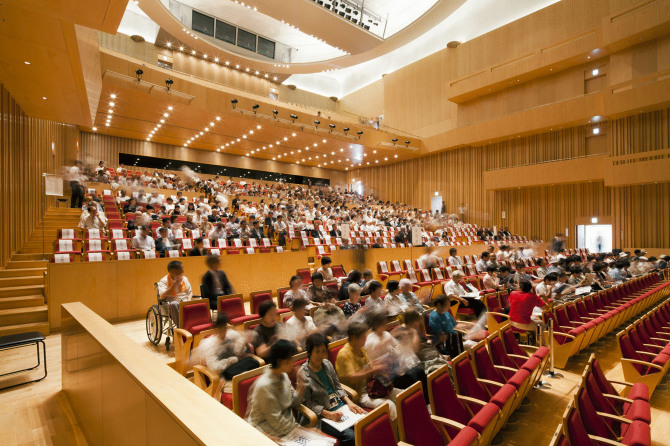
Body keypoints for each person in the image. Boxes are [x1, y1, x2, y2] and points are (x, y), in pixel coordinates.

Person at [299, 334, 365, 446]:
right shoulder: (303, 374)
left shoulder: (327, 364)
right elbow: (308, 404)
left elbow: (338, 386)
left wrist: (349, 402)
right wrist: (329, 414)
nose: (321, 355)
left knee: (365, 424)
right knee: (351, 436)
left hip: (341, 407)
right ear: (309, 352)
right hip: (322, 415)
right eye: (317, 351)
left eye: (323, 351)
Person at [335, 322, 401, 420]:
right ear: (353, 337)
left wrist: (380, 365)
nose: (364, 340)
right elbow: (352, 378)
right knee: (390, 405)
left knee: (402, 395)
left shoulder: (361, 349)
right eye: (362, 337)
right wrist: (373, 370)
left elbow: (369, 366)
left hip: (371, 386)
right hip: (359, 393)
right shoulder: (344, 354)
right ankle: (397, 434)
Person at [364, 311, 428, 401]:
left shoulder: (385, 334)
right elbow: (376, 358)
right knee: (413, 376)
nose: (386, 325)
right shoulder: (371, 340)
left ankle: (427, 402)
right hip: (385, 374)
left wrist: (403, 342)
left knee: (420, 370)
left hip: (396, 366)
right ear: (377, 324)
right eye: (383, 323)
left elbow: (397, 346)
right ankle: (420, 402)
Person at [247, 340, 303, 440]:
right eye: (290, 359)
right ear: (281, 362)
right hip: (266, 432)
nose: (293, 363)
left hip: (286, 427)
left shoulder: (284, 376)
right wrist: (302, 431)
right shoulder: (265, 386)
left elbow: (293, 402)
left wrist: (301, 387)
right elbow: (275, 419)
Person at [192, 313, 259, 392]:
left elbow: (241, 351)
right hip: (223, 376)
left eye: (224, 328)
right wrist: (234, 359)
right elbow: (215, 368)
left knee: (256, 370)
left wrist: (244, 342)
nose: (223, 332)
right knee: (247, 384)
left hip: (238, 368)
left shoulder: (231, 334)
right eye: (220, 329)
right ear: (215, 329)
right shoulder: (209, 344)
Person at [157, 260, 193, 326]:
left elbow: (190, 293)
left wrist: (188, 302)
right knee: (174, 304)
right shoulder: (164, 281)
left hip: (185, 302)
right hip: (171, 304)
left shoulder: (184, 279)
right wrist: (173, 285)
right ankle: (181, 326)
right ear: (173, 271)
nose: (183, 270)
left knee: (200, 301)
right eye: (181, 269)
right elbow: (162, 296)